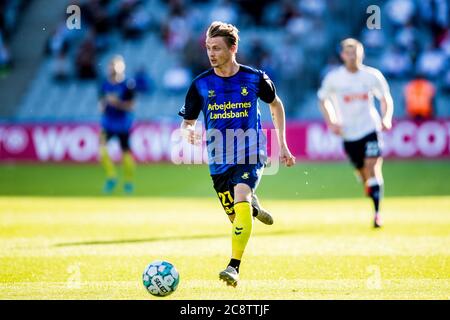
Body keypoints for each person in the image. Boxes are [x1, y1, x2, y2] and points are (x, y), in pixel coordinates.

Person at [178, 21, 295, 287]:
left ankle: (233, 267)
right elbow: (188, 122)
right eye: (208, 48)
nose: (211, 53)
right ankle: (252, 207)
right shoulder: (200, 84)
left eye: (217, 48)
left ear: (233, 48)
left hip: (250, 151)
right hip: (219, 161)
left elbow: (276, 106)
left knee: (241, 195)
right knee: (237, 219)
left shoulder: (255, 78)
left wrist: (283, 145)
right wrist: (189, 133)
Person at [318, 38, 394, 228]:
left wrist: (386, 118)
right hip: (349, 134)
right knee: (363, 175)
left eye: (356, 53)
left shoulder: (371, 76)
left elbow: (385, 98)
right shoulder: (334, 78)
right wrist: (331, 122)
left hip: (370, 128)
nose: (352, 57)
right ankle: (369, 187)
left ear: (361, 54)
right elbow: (323, 99)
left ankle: (377, 214)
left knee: (372, 168)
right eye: (348, 53)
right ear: (343, 55)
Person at [98, 55, 136, 194]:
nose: (112, 69)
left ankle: (129, 182)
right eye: (110, 66)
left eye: (115, 66)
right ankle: (111, 177)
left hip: (122, 124)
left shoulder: (128, 84)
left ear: (121, 67)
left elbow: (131, 106)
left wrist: (117, 103)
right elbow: (101, 102)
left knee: (125, 152)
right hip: (108, 122)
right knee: (101, 148)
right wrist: (103, 105)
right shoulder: (104, 84)